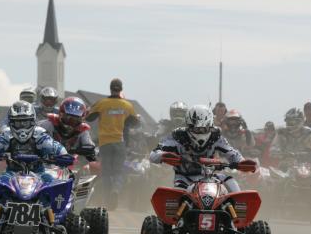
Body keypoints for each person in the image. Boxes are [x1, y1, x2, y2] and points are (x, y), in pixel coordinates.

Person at [149, 104, 245, 192]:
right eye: (196, 128)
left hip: (210, 177)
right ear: (189, 126)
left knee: (230, 180)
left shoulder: (216, 136)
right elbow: (154, 154)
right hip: (184, 178)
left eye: (204, 128)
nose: (200, 131)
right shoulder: (178, 136)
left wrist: (241, 162)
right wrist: (163, 155)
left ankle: (238, 208)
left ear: (210, 125)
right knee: (176, 197)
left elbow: (232, 153)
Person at [86, 78, 139, 208]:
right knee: (118, 171)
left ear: (110, 88)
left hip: (105, 143)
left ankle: (107, 199)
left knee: (106, 172)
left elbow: (89, 117)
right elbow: (135, 123)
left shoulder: (102, 103)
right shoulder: (127, 105)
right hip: (120, 143)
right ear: (121, 89)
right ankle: (115, 190)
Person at [0, 101, 68, 174]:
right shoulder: (7, 134)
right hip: (12, 175)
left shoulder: (39, 134)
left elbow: (57, 148)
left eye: (25, 122)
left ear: (33, 122)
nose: (22, 126)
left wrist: (62, 156)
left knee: (53, 184)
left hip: (39, 175)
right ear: (11, 123)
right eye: (18, 123)